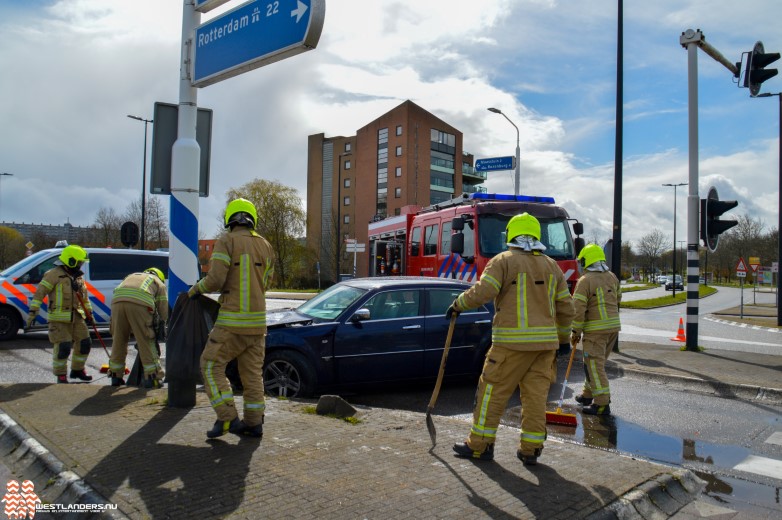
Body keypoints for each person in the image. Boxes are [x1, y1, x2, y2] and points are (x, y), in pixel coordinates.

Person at [448, 213, 574, 466]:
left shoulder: (503, 261)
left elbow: (484, 291)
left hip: (510, 346)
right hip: (544, 348)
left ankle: (479, 446)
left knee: (491, 393)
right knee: (536, 399)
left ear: (511, 235)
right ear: (537, 235)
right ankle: (531, 449)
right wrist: (562, 341)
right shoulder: (552, 266)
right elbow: (566, 309)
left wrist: (458, 304)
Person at [187, 198, 275, 439]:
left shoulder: (226, 240)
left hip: (232, 322)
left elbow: (215, 280)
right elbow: (267, 282)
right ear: (252, 219)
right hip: (257, 325)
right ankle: (254, 423)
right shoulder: (266, 245)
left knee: (210, 365)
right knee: (252, 375)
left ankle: (227, 418)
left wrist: (195, 290)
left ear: (230, 219)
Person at [26, 245, 93, 384]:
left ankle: (78, 370)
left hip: (77, 317)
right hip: (58, 319)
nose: (80, 265)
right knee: (63, 347)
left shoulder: (78, 277)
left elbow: (84, 298)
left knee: (85, 343)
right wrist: (33, 312)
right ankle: (61, 374)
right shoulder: (53, 274)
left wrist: (89, 314)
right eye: (79, 262)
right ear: (71, 261)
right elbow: (40, 293)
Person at [571, 243, 621, 416]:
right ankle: (587, 395)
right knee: (592, 364)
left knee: (594, 365)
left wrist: (575, 332)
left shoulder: (585, 281)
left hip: (595, 331)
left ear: (586, 260)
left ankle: (601, 403)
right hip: (613, 329)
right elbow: (618, 298)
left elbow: (578, 309)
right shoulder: (612, 277)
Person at [108, 267, 169, 388]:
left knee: (119, 340)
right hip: (140, 303)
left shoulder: (131, 276)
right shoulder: (158, 282)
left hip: (117, 302)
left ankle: (116, 376)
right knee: (146, 340)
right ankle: (153, 377)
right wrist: (163, 324)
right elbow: (163, 310)